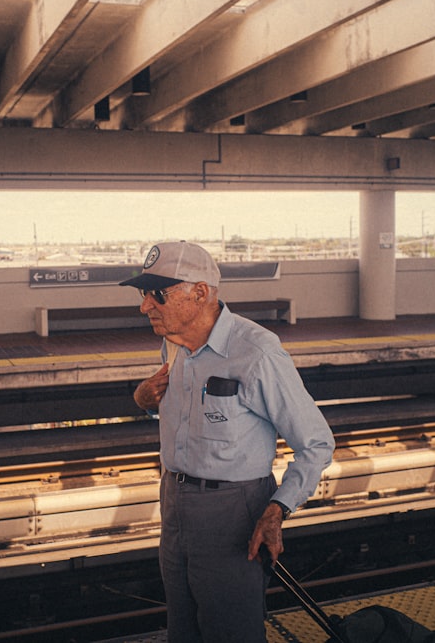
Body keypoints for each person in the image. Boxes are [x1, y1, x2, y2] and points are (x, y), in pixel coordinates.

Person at [120, 241, 335, 643]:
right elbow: (182, 412)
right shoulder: (174, 343)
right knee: (182, 630)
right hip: (174, 503)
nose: (145, 306)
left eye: (157, 295)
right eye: (142, 294)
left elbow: (317, 442)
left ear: (199, 293)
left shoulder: (256, 353)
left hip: (233, 513)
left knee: (231, 632)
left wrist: (276, 510)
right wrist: (143, 399)